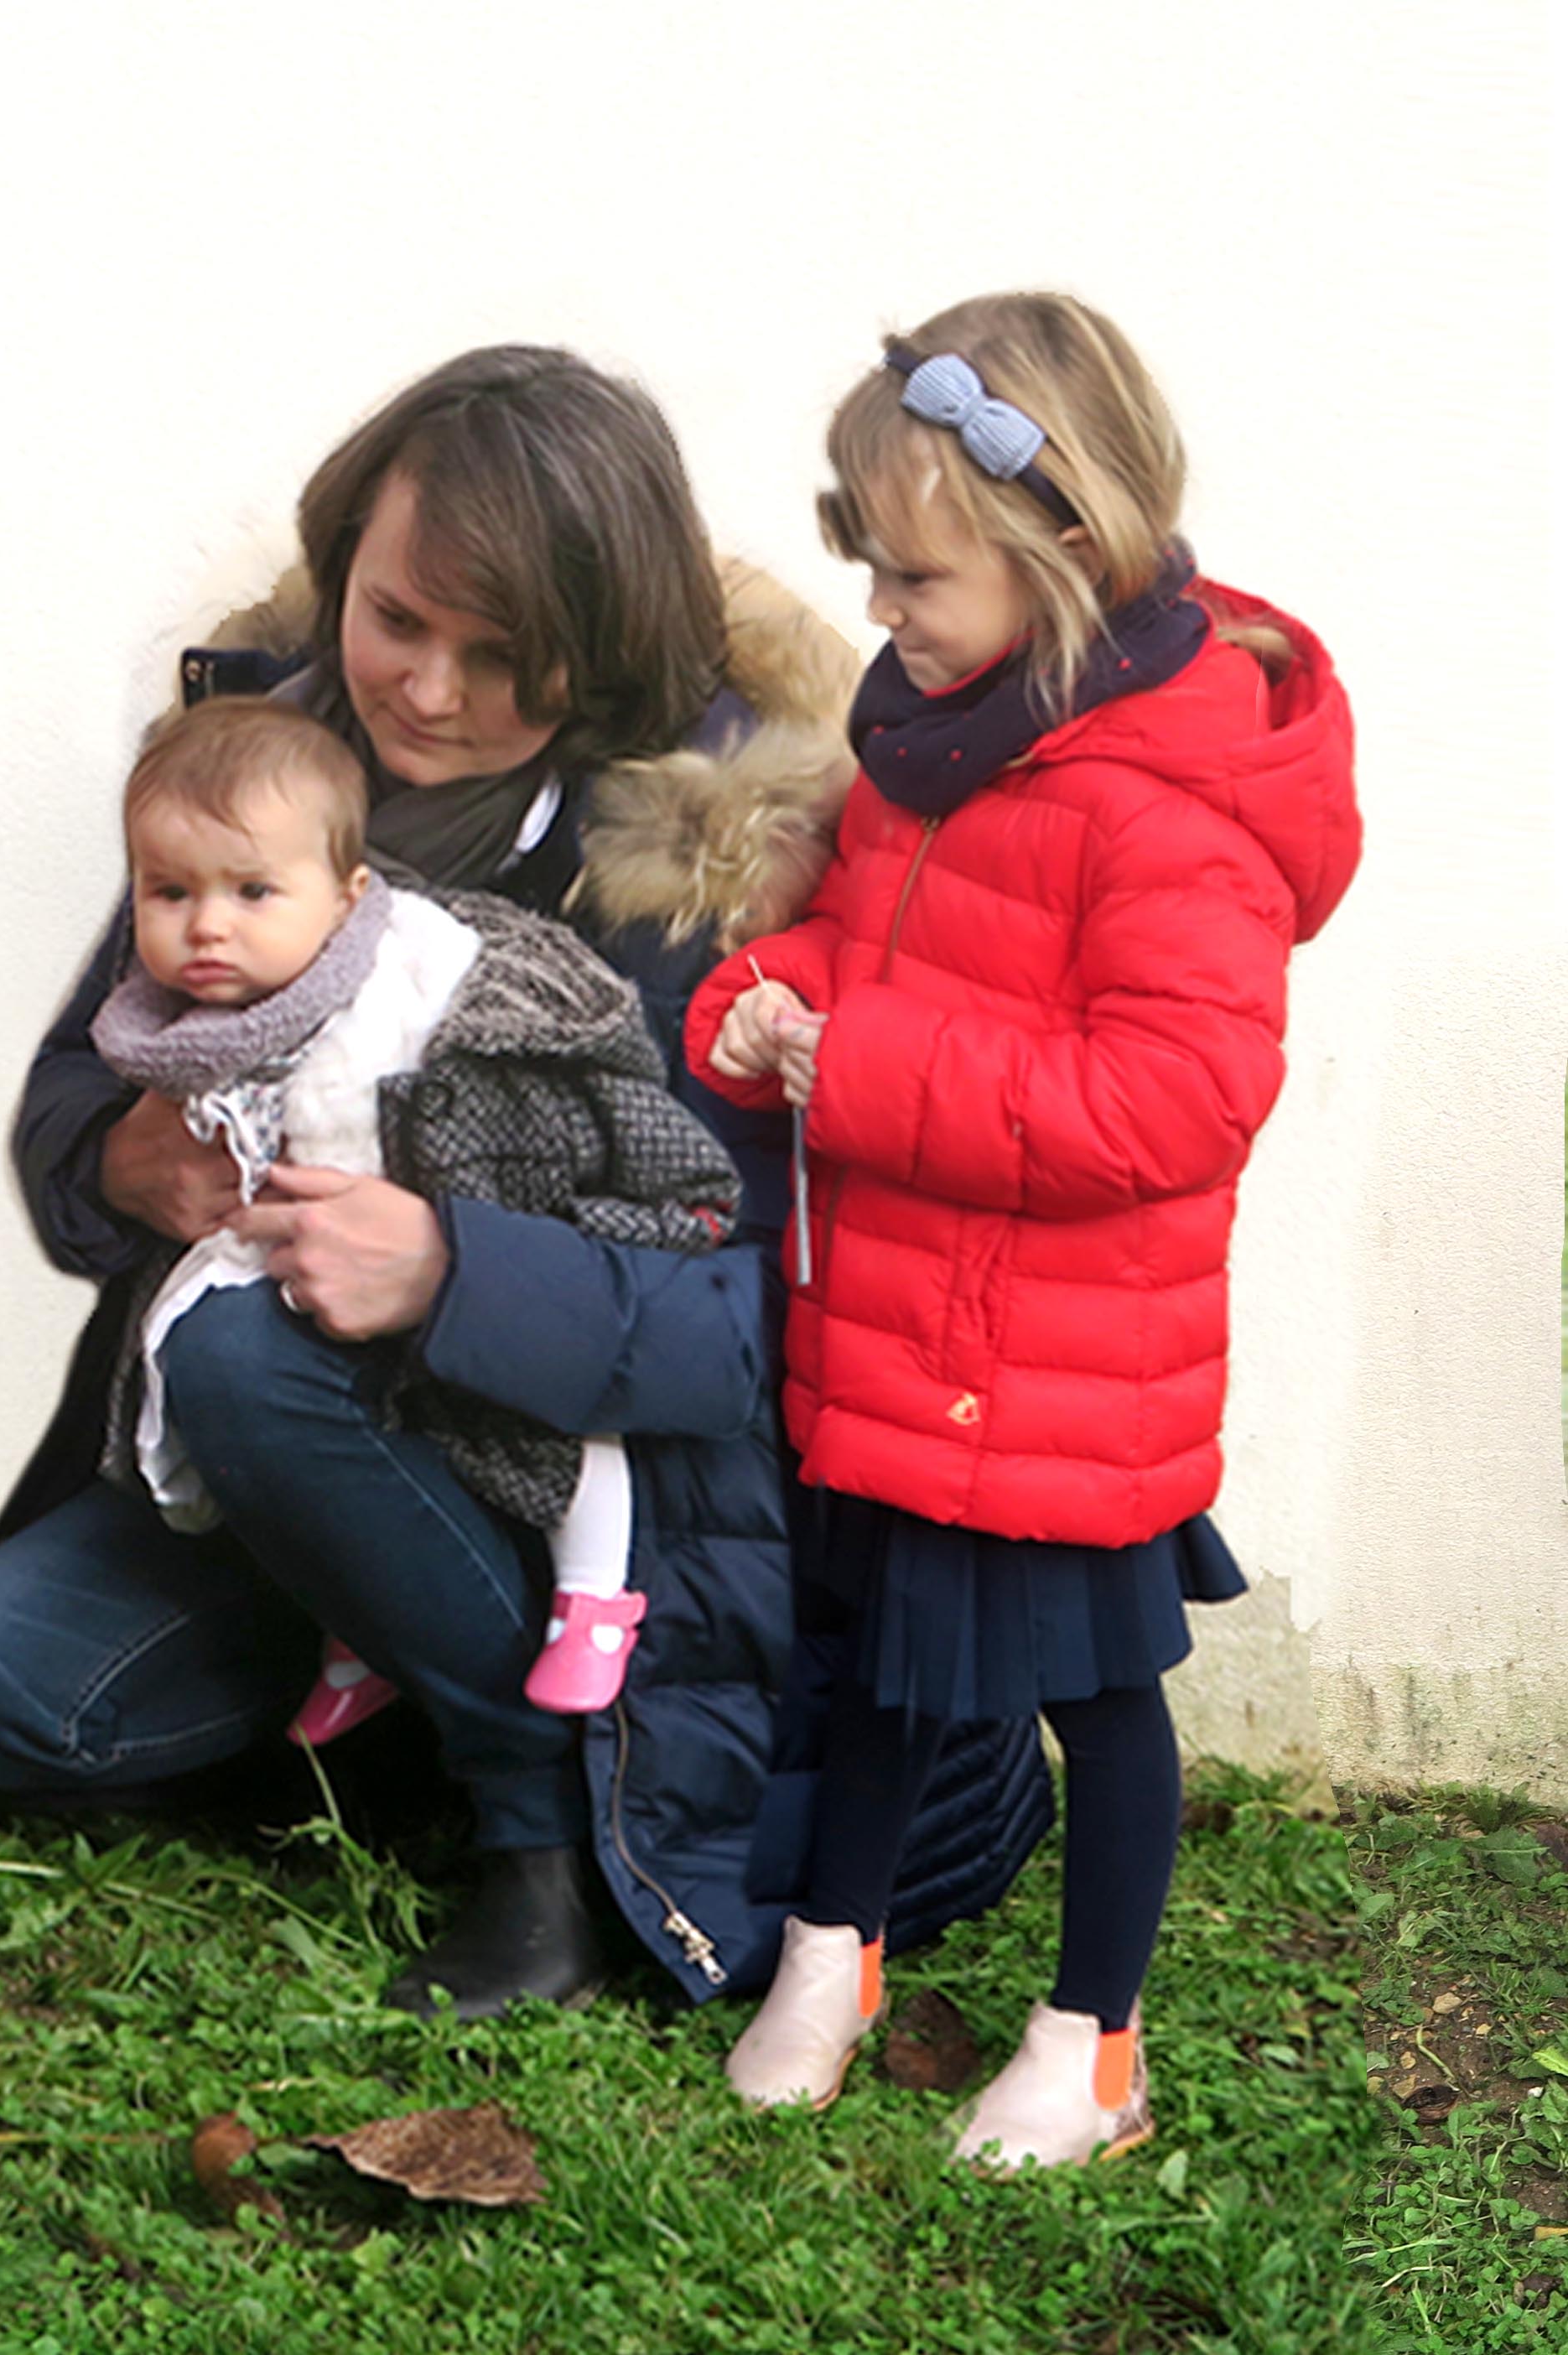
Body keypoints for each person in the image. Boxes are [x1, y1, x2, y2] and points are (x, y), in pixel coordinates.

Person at [0, 346, 1057, 2020]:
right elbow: (73, 1092)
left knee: (246, 1351)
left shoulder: (718, 871)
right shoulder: (263, 764)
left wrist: (452, 1270)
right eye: (399, 619)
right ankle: (393, 1703)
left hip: (610, 1509)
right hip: (298, 1488)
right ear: (346, 559)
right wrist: (117, 1160)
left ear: (609, 658)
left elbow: (767, 1322)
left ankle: (539, 1819)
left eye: (504, 662)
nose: (426, 689)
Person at [693, 294, 1357, 2168]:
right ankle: (838, 1951)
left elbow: (1169, 1101)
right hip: (915, 1334)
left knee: (1098, 1698)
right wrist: (763, 1005)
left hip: (1064, 1366)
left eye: (914, 575)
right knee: (886, 1665)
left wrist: (863, 1063)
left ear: (1062, 548)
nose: (882, 616)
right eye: (872, 570)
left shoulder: (1172, 803)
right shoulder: (944, 741)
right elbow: (879, 963)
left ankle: (1096, 2040)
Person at [88, 696, 739, 1725]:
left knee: (551, 1441)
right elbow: (73, 1104)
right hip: (310, 1292)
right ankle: (368, 1625)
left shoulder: (424, 960)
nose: (207, 924)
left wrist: (469, 1256)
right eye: (170, 892)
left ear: (348, 898)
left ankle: (590, 1611)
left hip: (512, 1270)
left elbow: (655, 1192)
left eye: (252, 891)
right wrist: (105, 1159)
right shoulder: (188, 996)